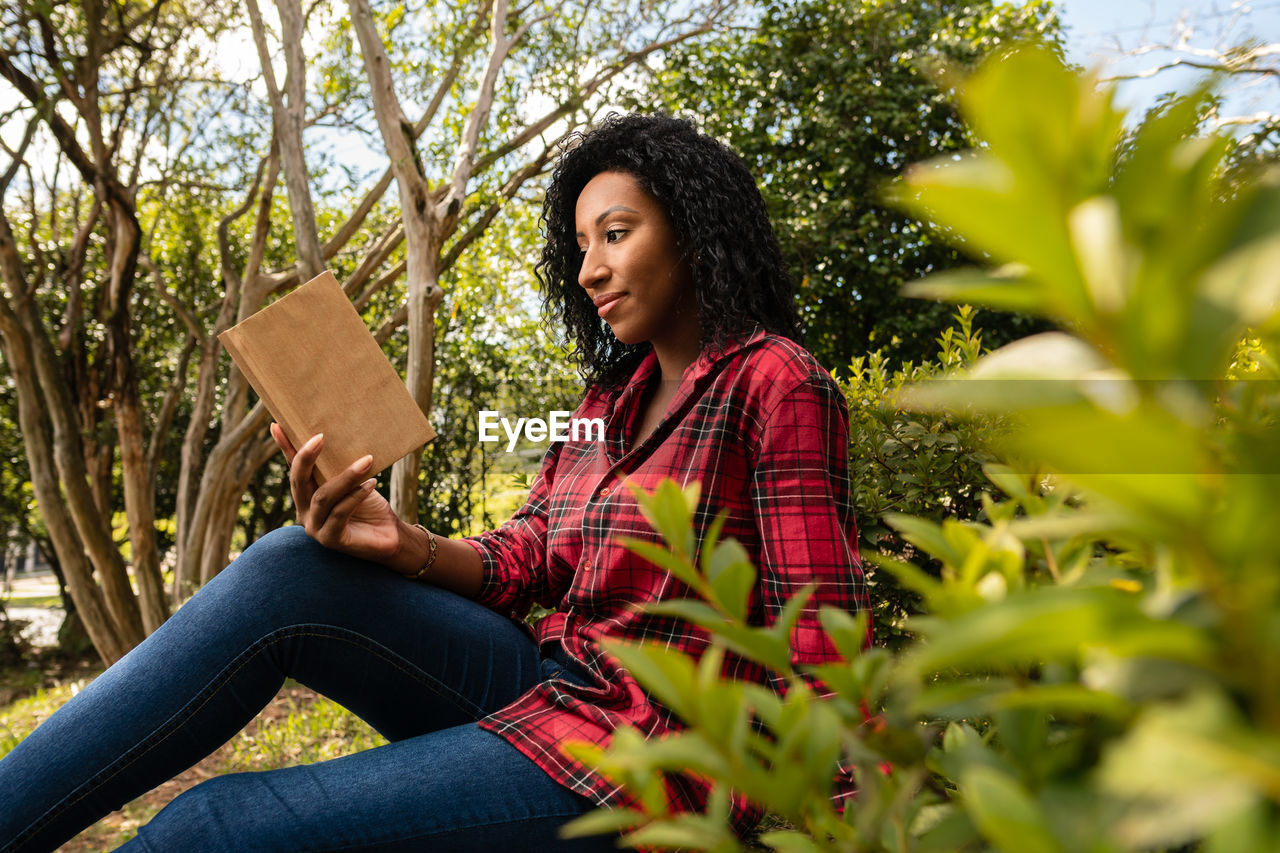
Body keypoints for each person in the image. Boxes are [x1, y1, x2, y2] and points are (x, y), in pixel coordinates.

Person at [0, 113, 866, 852]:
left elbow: (826, 645)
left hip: (650, 756)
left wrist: (853, 821)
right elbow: (530, 555)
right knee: (291, 562)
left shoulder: (775, 383)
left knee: (211, 830)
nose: (590, 271)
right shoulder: (612, 394)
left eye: (616, 232)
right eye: (580, 246)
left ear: (693, 229)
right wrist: (402, 542)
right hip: (558, 683)